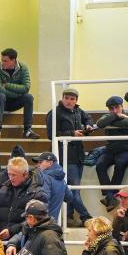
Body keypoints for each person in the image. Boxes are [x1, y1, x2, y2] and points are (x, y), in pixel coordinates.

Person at [46, 87, 94, 227]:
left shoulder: (78, 111)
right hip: (64, 155)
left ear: (76, 100)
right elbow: (51, 135)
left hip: (78, 155)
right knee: (73, 189)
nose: (69, 101)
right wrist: (72, 134)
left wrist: (89, 125)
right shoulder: (54, 113)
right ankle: (86, 217)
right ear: (62, 98)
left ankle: (68, 216)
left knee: (73, 189)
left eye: (72, 99)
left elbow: (88, 118)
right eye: (66, 98)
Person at [96, 96, 128, 211]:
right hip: (110, 150)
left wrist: (112, 121)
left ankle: (110, 196)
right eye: (111, 109)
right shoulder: (107, 116)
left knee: (120, 163)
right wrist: (116, 116)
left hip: (126, 150)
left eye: (117, 108)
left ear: (122, 106)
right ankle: (110, 196)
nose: (114, 110)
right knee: (100, 164)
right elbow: (100, 123)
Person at [0, 48, 39, 139]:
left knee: (29, 97)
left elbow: (26, 88)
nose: (2, 63)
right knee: (1, 95)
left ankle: (27, 130)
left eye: (5, 61)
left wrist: (7, 85)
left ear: (13, 60)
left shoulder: (23, 68)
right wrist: (17, 93)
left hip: (14, 102)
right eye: (2, 60)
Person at [32, 151, 67, 221]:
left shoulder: (44, 177)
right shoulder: (62, 180)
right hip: (53, 221)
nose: (37, 165)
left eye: (40, 162)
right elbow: (69, 197)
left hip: (41, 221)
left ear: (50, 163)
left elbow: (44, 200)